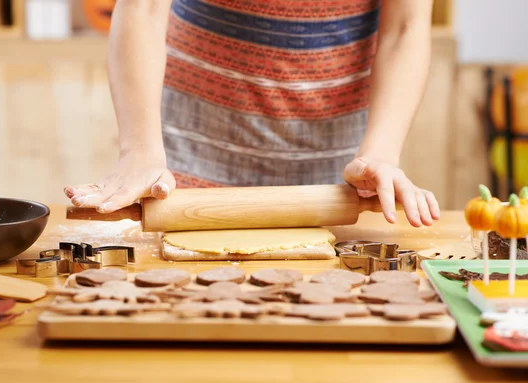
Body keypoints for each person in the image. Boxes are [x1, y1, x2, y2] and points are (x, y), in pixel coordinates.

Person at [64, 0, 440, 228]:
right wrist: (140, 151)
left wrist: (380, 155)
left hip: (337, 147)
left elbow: (406, 28)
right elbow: (142, 9)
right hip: (195, 137)